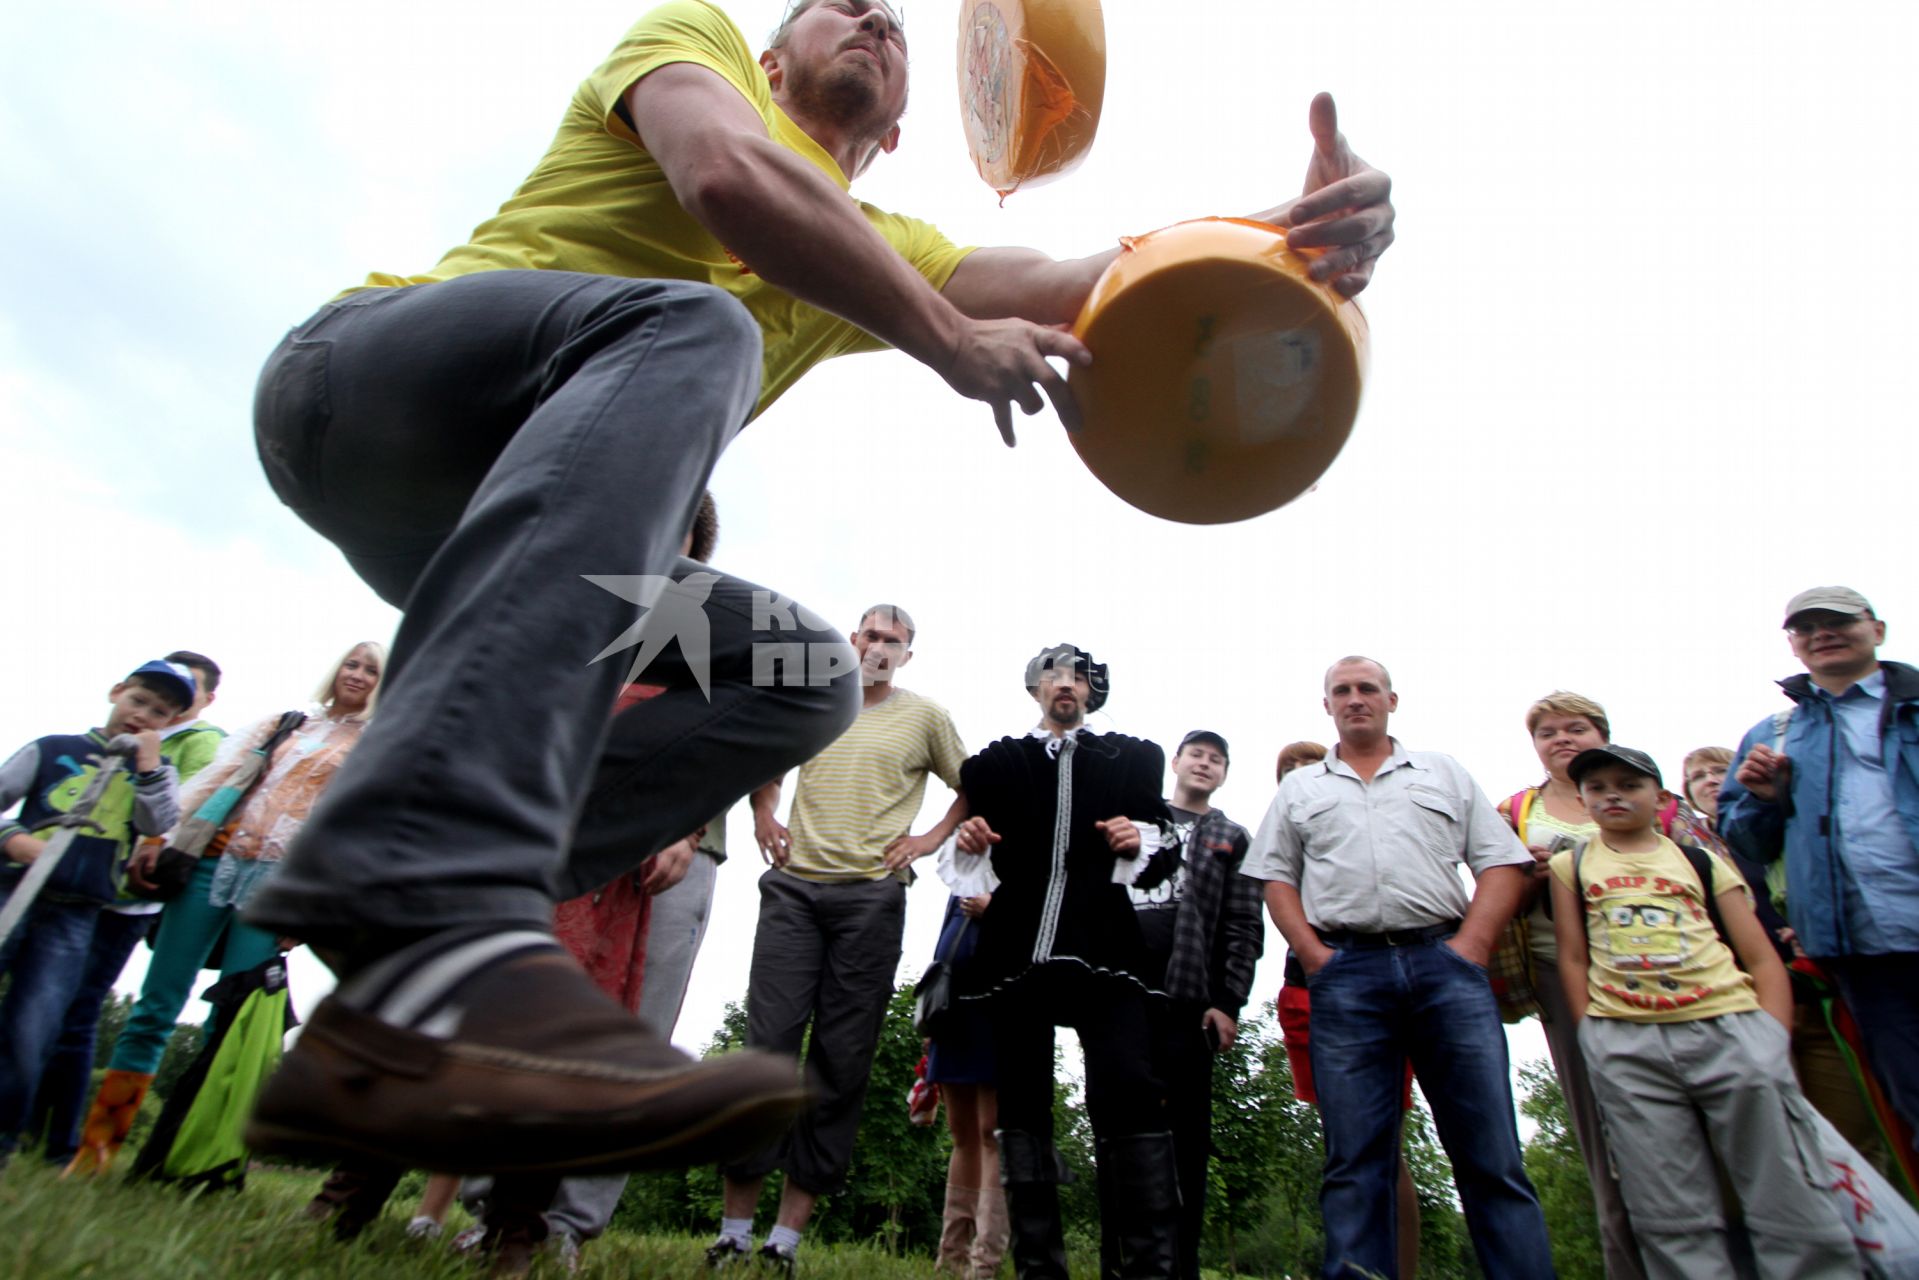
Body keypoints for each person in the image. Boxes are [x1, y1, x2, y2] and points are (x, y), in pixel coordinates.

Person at [240, 0, 1395, 1177]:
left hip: (492, 544)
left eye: (894, 20)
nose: (876, 17)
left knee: (804, 669)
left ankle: (440, 938)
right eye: (841, 3)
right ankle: (413, 852)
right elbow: (728, 178)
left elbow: (1073, 276)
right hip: (364, 386)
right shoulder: (693, 45)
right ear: (774, 53)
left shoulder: (879, 233)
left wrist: (1285, 234)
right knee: (697, 328)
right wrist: (946, 335)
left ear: (897, 130)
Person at [1243, 656, 1553, 1280]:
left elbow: (1501, 862)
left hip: (1446, 969)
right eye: (1342, 691)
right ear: (1326, 705)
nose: (1355, 699)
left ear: (1392, 699)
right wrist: (1314, 956)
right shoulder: (1301, 789)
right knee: (1355, 1163)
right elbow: (1274, 876)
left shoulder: (1443, 772)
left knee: (1490, 1155)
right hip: (1347, 975)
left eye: (1367, 689)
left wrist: (1471, 948)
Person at [710, 603, 967, 1272]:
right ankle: (733, 1232)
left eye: (894, 641)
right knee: (765, 1048)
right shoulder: (812, 693)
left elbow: (972, 787)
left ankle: (782, 1242)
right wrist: (766, 812)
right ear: (851, 641)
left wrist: (927, 840)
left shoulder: (926, 717)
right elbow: (763, 761)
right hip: (793, 889)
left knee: (840, 1059)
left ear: (907, 655)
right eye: (871, 635)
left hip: (870, 900)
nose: (880, 647)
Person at [66, 643, 382, 1174]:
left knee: (227, 1023)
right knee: (154, 1008)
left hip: (279, 887)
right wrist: (158, 839)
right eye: (352, 663)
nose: (358, 675)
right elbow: (215, 779)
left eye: (372, 670)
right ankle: (98, 1147)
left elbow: (358, 835)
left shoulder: (379, 747)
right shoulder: (286, 723)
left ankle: (186, 1160)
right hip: (212, 865)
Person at [1548, 744, 1857, 1279]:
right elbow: (1573, 958)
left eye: (1629, 784)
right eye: (1597, 788)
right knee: (1667, 1209)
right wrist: (1592, 1035)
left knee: (1785, 1191)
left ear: (1661, 797)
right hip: (1628, 1039)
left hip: (1727, 1026)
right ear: (1582, 798)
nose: (1612, 795)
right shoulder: (1569, 865)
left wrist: (1770, 1040)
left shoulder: (1698, 859)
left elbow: (1759, 954)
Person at [945, 644, 1176, 1278]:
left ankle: (1147, 1267)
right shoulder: (994, 765)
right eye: (1055, 675)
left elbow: (1162, 851)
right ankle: (1039, 1267)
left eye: (1079, 677)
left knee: (1128, 1089)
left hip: (1107, 947)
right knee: (1020, 1107)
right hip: (1018, 949)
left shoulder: (1133, 757)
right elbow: (969, 866)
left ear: (1093, 694)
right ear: (1036, 689)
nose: (1066, 685)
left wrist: (1136, 841)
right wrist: (971, 845)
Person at [1719, 585, 1919, 1163]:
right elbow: (1746, 839)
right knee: (1912, 1103)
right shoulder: (1772, 734)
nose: (1822, 633)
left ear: (1876, 629)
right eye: (1806, 627)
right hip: (1863, 954)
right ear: (1794, 646)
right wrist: (1761, 798)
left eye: (1838, 621)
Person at [32, 650, 225, 1169]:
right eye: (154, 698)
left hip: (123, 901)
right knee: (56, 1008)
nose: (166, 706)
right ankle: (38, 1127)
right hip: (85, 887)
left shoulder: (200, 742)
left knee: (79, 1013)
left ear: (206, 700)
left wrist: (153, 844)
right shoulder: (126, 737)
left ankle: (74, 1143)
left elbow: (181, 813)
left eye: (188, 693)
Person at [0, 659, 190, 1160]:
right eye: (138, 701)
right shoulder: (54, 748)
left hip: (75, 914)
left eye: (159, 712)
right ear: (116, 693)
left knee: (33, 1029)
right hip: (12, 891)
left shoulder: (158, 775)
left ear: (171, 724)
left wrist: (149, 767)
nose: (142, 715)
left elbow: (160, 822)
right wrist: (12, 839)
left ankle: (3, 1137)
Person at [1493, 691, 1645, 1280]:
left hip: (1660, 975)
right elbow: (1489, 886)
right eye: (1548, 732)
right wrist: (1524, 877)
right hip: (1561, 976)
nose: (1562, 739)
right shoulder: (1515, 808)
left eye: (1576, 728)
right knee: (1603, 1137)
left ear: (1602, 734)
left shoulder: (1649, 798)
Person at [1108, 729, 1261, 1280]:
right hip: (1122, 998)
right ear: (1176, 762)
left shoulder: (1232, 837)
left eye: (1216, 759)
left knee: (1187, 1142)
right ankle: (1119, 1263)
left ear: (1223, 774)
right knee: (1120, 1132)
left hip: (1189, 1005)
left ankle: (1181, 1266)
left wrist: (1229, 1002)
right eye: (1196, 754)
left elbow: (1244, 925)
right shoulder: (1134, 818)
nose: (1205, 764)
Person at [1271, 739, 1422, 1279]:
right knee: (1344, 1139)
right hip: (1307, 990)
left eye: (1306, 768)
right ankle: (1356, 1265)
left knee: (1385, 1143)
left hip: (1379, 982)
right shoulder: (1281, 844)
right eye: (1285, 770)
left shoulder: (1369, 828)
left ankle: (1401, 1270)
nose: (1297, 777)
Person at [924, 879, 1006, 1280]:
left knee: (992, 1131)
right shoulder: (966, 863)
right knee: (961, 1134)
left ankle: (984, 1262)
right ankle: (951, 1255)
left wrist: (997, 909)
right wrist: (929, 1012)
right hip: (952, 1007)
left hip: (1000, 1003)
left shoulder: (1026, 852)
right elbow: (945, 932)